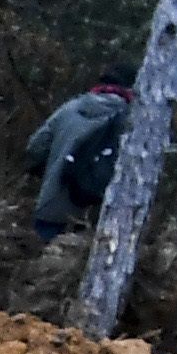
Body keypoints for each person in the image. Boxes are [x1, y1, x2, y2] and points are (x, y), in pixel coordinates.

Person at [26, 76, 129, 239]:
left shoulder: (71, 108)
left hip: (52, 206)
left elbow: (36, 147)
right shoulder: (133, 123)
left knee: (43, 259)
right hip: (102, 219)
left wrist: (53, 169)